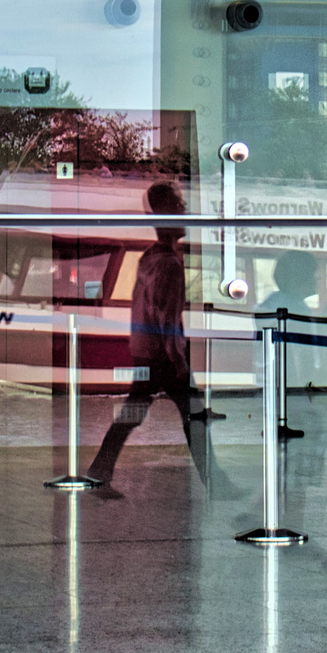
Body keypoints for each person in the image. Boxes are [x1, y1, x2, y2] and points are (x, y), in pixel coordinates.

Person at [87, 181, 211, 493]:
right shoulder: (169, 263)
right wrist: (179, 360)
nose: (187, 216)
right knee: (191, 416)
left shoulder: (151, 256)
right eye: (182, 210)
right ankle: (215, 482)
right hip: (163, 355)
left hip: (147, 350)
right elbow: (167, 318)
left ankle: (99, 471)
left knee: (137, 412)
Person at [255, 250, 322, 439]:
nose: (317, 278)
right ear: (302, 277)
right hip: (290, 395)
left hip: (269, 389)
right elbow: (304, 355)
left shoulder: (271, 302)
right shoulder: (296, 307)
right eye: (313, 273)